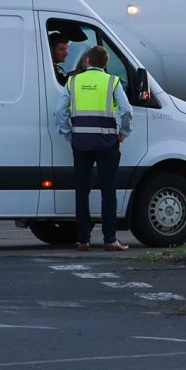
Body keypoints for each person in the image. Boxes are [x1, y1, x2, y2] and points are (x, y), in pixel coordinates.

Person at [56, 44, 133, 250]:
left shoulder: (73, 81)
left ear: (87, 61)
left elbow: (60, 111)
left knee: (82, 191)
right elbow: (126, 110)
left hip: (80, 143)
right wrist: (123, 133)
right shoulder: (112, 81)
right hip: (107, 143)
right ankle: (110, 239)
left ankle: (83, 239)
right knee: (108, 190)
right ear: (106, 63)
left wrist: (68, 134)